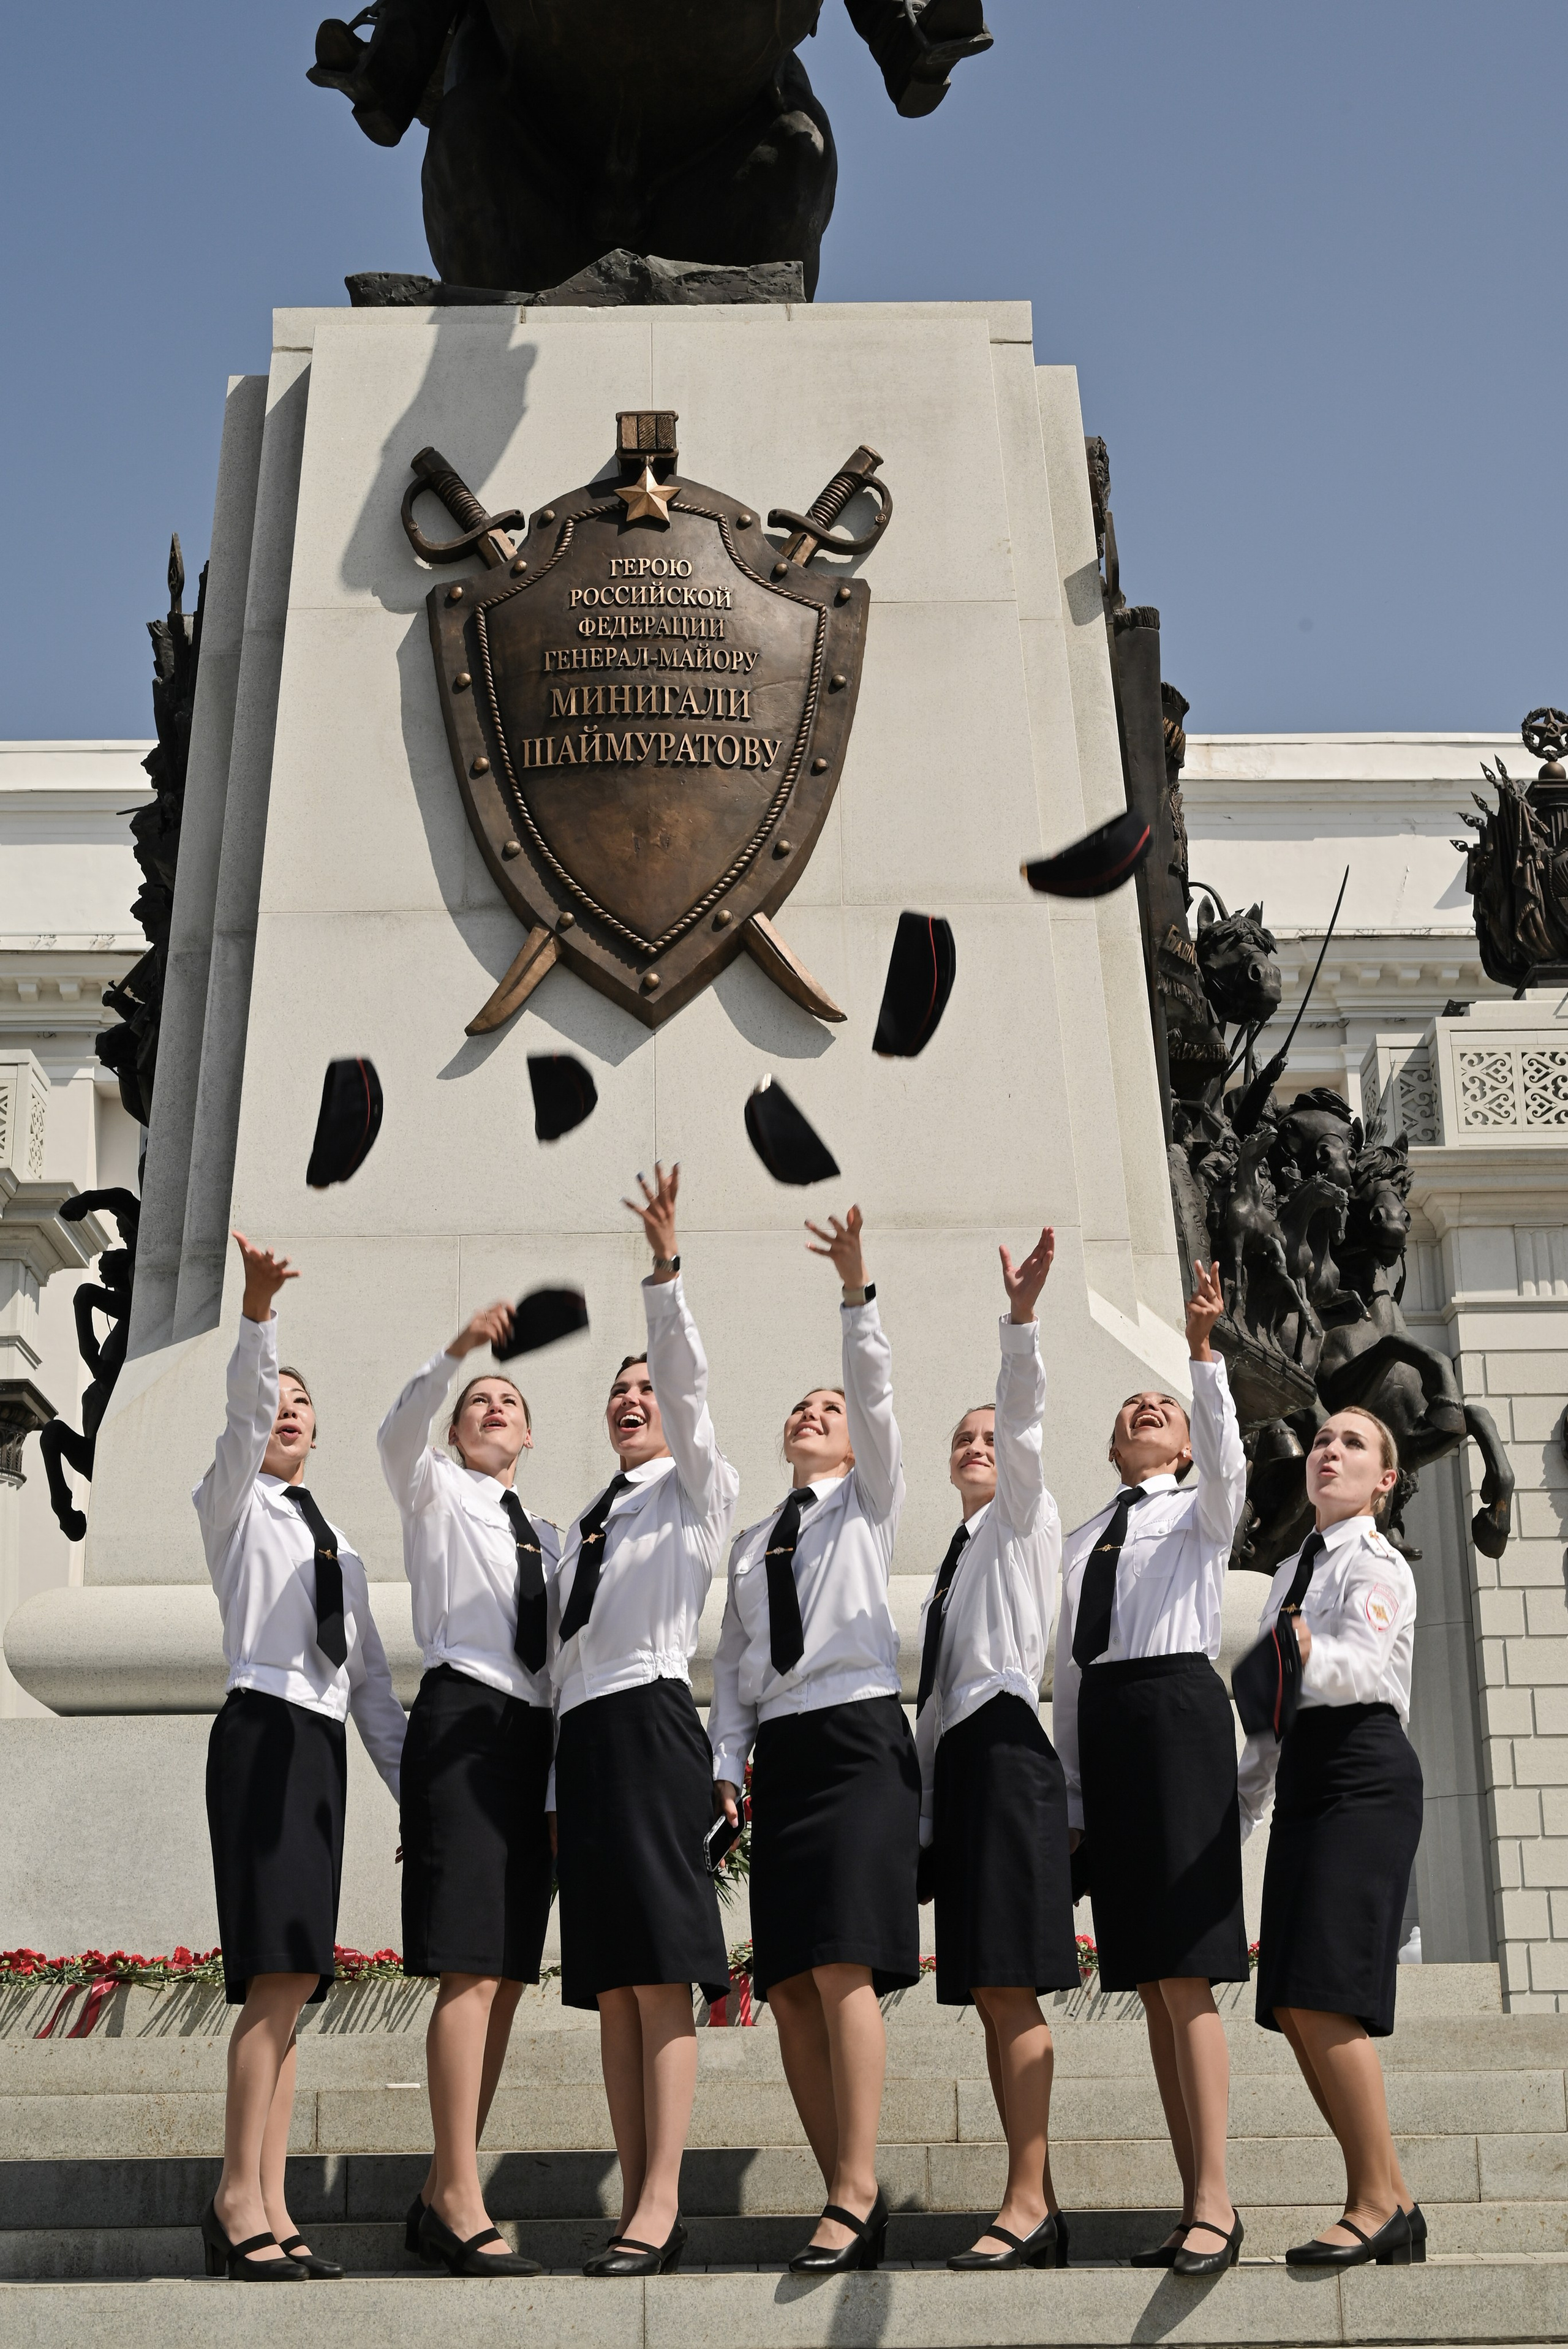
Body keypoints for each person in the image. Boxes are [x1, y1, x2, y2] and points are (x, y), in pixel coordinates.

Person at [711, 1205, 919, 2274]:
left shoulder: (867, 1502)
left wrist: (856, 1297)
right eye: (800, 1406)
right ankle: (841, 2176)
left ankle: (855, 2185)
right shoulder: (756, 1541)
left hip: (855, 1738)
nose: (815, 1413)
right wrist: (724, 1764)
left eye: (826, 1407)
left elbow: (876, 1399)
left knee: (841, 1967)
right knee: (787, 1978)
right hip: (782, 1755)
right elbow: (737, 1674)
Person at [195, 1234, 405, 2282]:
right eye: (275, 1396)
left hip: (319, 1750)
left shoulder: (344, 1547)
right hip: (263, 1731)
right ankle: (239, 2194)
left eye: (300, 1401)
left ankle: (271, 2201)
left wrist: (420, 1797)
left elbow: (370, 1688)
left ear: (319, 1430)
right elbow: (240, 1413)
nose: (284, 1409)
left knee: (298, 1981)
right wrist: (259, 1313)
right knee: (272, 1975)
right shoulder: (231, 1505)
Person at [552, 1164, 737, 2279]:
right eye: (618, 1391)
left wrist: (663, 1281)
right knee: (616, 1978)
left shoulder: (695, 1490)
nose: (633, 1399)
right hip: (588, 1740)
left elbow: (694, 1392)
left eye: (645, 1389)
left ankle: (663, 2200)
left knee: (662, 1972)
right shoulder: (584, 1520)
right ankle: (635, 2197)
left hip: (658, 1717)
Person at [1052, 1262, 1248, 2277]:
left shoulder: (1201, 1510)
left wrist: (1202, 1358)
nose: (1146, 1409)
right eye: (1133, 1406)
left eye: (1160, 1407)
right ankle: (1190, 2200)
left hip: (1177, 1713)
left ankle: (1218, 2199)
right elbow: (1073, 1675)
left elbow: (1227, 1460)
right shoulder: (1088, 1535)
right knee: (1151, 1981)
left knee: (1190, 1969)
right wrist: (1076, 1795)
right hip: (1113, 1730)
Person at [377, 1302, 559, 2277]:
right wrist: (455, 1352)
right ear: (453, 1432)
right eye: (477, 1402)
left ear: (530, 1435)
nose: (493, 1408)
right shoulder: (434, 1491)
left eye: (509, 1401)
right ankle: (457, 2196)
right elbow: (396, 1430)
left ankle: (442, 2186)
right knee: (469, 1970)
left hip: (534, 1739)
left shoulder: (555, 1534)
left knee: (509, 1979)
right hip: (463, 1721)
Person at [913, 1226, 1081, 2271]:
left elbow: (1022, 1425)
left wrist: (1019, 1326)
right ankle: (1037, 2197)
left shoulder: (1025, 1513)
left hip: (1011, 1753)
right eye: (964, 1439)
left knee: (1010, 1983)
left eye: (988, 1437)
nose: (981, 1445)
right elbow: (934, 1700)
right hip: (967, 1767)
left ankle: (1028, 2200)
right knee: (988, 1988)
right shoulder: (955, 1553)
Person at [1239, 1407, 1425, 2269]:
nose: (1329, 1452)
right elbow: (1272, 1715)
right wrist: (1243, 1806)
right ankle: (1397, 2202)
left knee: (1325, 1992)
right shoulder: (1285, 1575)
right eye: (1322, 1440)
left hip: (1364, 1770)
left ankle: (1372, 2200)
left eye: (1353, 1444)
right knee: (1290, 1999)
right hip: (1307, 1777)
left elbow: (1360, 1664)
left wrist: (1308, 1651)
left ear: (1384, 1481)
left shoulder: (1376, 1562)